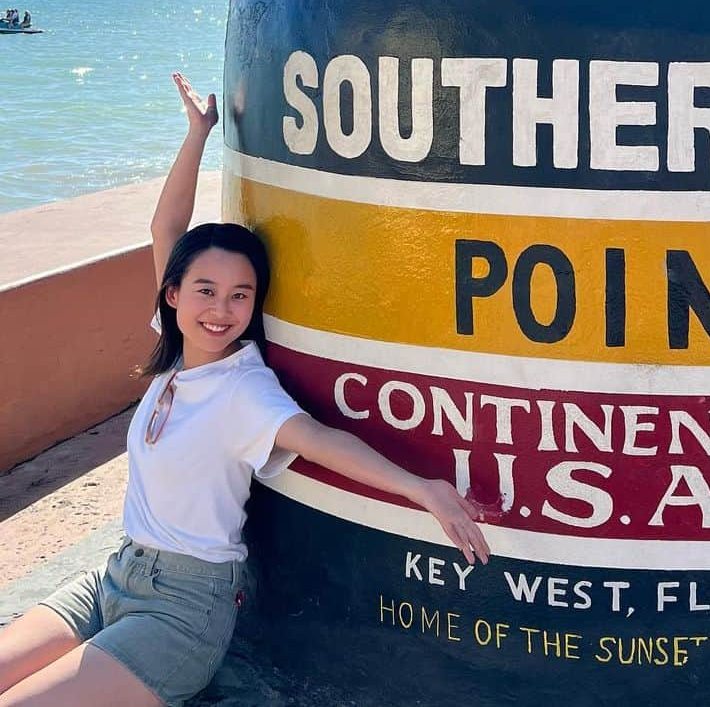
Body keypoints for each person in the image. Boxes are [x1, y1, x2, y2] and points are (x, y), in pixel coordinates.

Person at [0, 73, 489, 706]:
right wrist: (199, 133)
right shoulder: (178, 350)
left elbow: (317, 439)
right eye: (204, 291)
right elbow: (165, 227)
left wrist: (421, 488)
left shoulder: (244, 389)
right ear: (172, 295)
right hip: (115, 576)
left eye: (241, 295)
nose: (220, 310)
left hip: (181, 612)